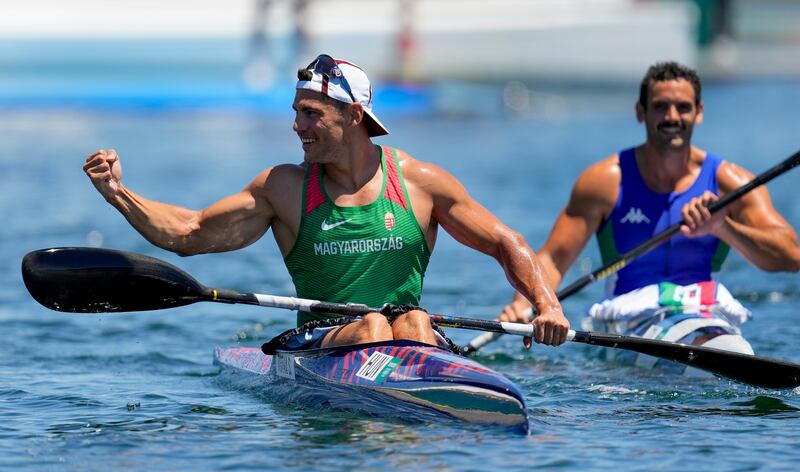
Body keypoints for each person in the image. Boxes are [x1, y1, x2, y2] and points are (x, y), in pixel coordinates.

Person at [83, 54, 569, 352]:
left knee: (413, 320)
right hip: (322, 342)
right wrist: (119, 195)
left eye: (311, 114)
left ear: (355, 115)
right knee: (372, 325)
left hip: (407, 336)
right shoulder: (285, 188)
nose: (297, 126)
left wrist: (546, 306)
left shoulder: (421, 183)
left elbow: (507, 242)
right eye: (295, 112)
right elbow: (189, 233)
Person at [499, 61, 800, 335]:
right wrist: (528, 302)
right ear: (640, 111)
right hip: (629, 313)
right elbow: (555, 257)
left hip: (704, 311)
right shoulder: (604, 182)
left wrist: (723, 227)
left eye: (683, 107)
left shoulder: (731, 183)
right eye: (660, 107)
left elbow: (790, 256)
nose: (672, 117)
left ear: (699, 112)